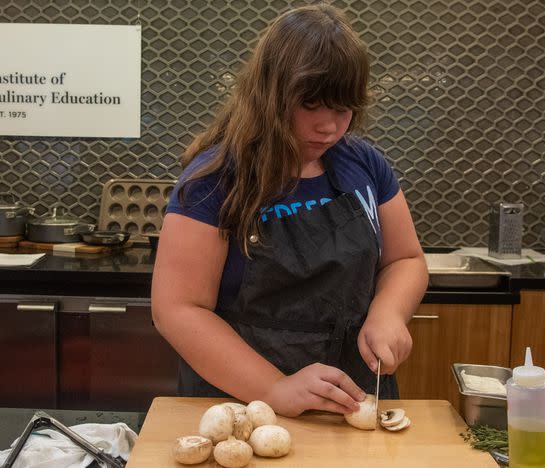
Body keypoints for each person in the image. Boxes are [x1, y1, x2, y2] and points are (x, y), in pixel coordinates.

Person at [151, 3, 428, 418]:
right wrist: (275, 389)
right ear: (270, 94)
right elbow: (177, 309)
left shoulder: (366, 165)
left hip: (352, 399)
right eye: (311, 104)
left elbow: (406, 260)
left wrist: (389, 312)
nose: (329, 127)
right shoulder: (215, 179)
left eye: (342, 108)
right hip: (243, 405)